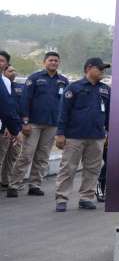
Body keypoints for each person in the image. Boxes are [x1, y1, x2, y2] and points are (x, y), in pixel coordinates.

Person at [53, 57, 111, 212]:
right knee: (68, 168)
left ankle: (86, 198)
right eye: (100, 68)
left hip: (97, 136)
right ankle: (61, 198)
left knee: (92, 169)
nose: (103, 71)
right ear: (89, 68)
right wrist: (60, 133)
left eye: (104, 69)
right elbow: (63, 112)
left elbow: (109, 114)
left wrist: (110, 132)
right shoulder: (74, 88)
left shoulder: (105, 89)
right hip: (75, 136)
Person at [11, 51, 69, 198]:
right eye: (51, 60)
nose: (53, 62)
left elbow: (66, 104)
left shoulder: (63, 81)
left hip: (52, 124)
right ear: (44, 62)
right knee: (26, 155)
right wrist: (25, 122)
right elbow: (25, 100)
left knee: (42, 157)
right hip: (33, 124)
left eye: (56, 60)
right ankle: (14, 185)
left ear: (59, 63)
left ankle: (35, 185)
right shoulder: (34, 78)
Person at [0, 52, 24, 192]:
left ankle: (5, 181)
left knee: (9, 157)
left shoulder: (7, 83)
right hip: (7, 126)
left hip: (6, 126)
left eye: (1, 60)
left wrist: (14, 128)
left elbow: (9, 108)